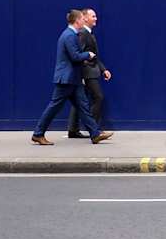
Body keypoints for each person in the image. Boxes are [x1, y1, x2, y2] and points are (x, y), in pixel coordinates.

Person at [32, 9, 111, 146]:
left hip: (73, 79)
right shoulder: (69, 36)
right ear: (77, 21)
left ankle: (95, 134)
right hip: (66, 79)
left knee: (83, 106)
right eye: (82, 18)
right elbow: (75, 56)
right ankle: (38, 134)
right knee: (54, 107)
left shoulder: (71, 35)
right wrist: (88, 55)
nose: (84, 20)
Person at [68, 8, 113, 138]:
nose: (96, 18)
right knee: (98, 97)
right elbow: (79, 55)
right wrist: (81, 74)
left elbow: (94, 55)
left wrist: (103, 69)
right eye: (93, 16)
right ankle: (94, 129)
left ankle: (73, 129)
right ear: (85, 18)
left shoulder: (89, 33)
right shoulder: (83, 33)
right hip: (87, 73)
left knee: (79, 101)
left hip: (91, 71)